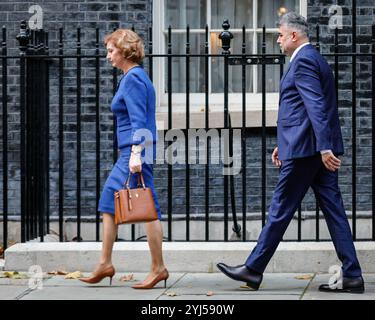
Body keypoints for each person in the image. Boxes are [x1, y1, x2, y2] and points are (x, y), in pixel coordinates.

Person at [217, 12, 364, 294]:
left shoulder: (305, 60)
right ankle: (353, 274)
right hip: (306, 147)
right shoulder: (312, 59)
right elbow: (301, 110)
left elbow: (316, 107)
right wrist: (284, 145)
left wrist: (323, 147)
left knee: (280, 209)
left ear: (294, 36)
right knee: (334, 211)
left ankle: (253, 268)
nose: (279, 40)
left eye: (281, 35)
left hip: (308, 151)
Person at [79, 29, 168, 289]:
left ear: (124, 51)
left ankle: (158, 268)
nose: (108, 56)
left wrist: (137, 154)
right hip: (131, 151)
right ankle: (105, 263)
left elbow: (140, 120)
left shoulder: (134, 79)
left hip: (135, 151)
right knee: (109, 203)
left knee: (147, 210)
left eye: (111, 51)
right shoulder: (130, 77)